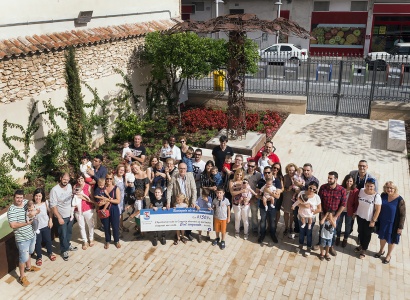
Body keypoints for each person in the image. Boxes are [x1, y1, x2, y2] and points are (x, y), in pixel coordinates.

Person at [7, 189, 41, 286]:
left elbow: (37, 209)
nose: (19, 200)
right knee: (23, 258)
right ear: (14, 198)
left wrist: (35, 212)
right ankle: (22, 277)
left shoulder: (26, 203)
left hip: (32, 234)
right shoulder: (12, 210)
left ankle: (28, 267)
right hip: (22, 238)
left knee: (30, 252)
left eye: (21, 197)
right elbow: (13, 225)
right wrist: (26, 223)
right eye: (17, 198)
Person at [375, 181, 406, 264]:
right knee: (382, 237)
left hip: (393, 224)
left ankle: (388, 255)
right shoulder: (383, 195)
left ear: (395, 189)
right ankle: (381, 250)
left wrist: (400, 228)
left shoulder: (400, 200)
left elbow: (403, 215)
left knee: (391, 240)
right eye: (388, 187)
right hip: (383, 222)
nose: (389, 189)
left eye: (391, 188)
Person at [318, 171, 346, 256]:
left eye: (331, 178)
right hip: (324, 213)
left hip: (334, 215)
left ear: (336, 179)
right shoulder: (323, 187)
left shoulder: (342, 190)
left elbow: (343, 205)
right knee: (322, 229)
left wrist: (336, 216)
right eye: (328, 178)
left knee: (332, 232)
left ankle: (330, 247)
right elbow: (319, 201)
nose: (329, 180)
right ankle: (321, 244)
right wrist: (322, 213)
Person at [167, 162, 197, 241]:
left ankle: (188, 232)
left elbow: (194, 189)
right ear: (178, 169)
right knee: (178, 218)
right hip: (178, 201)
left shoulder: (190, 176)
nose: (182, 170)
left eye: (184, 168)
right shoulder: (174, 176)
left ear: (186, 169)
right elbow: (169, 190)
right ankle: (177, 234)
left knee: (188, 218)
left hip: (188, 201)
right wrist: (168, 202)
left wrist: (193, 201)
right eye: (181, 168)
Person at [50, 173, 76, 261]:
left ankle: (67, 245)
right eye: (64, 179)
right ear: (60, 178)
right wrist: (59, 217)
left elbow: (71, 196)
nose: (66, 181)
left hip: (70, 215)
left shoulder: (69, 186)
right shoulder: (54, 190)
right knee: (62, 235)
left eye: (67, 180)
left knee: (69, 232)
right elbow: (53, 206)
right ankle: (64, 250)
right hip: (62, 216)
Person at [353, 177, 381, 259]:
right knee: (360, 232)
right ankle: (361, 245)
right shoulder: (361, 191)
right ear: (365, 185)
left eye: (371, 186)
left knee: (367, 234)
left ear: (374, 186)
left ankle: (364, 250)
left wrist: (373, 220)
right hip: (360, 216)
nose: (369, 188)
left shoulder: (376, 196)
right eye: (368, 185)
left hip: (369, 219)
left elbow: (378, 210)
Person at [292, 163, 319, 239]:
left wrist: (301, 186)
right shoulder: (300, 177)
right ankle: (298, 232)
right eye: (304, 170)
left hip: (308, 205)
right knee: (297, 218)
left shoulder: (315, 180)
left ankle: (306, 235)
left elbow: (312, 193)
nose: (306, 172)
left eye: (308, 170)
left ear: (312, 170)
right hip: (299, 202)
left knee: (307, 220)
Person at [295, 181, 322, 256]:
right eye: (310, 188)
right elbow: (298, 203)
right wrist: (305, 207)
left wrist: (310, 213)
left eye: (314, 189)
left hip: (311, 218)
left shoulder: (317, 197)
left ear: (316, 190)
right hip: (301, 217)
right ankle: (300, 245)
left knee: (309, 233)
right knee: (301, 232)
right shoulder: (302, 193)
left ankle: (308, 247)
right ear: (308, 186)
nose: (311, 190)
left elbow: (319, 209)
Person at [257, 166, 282, 244]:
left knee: (272, 221)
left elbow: (277, 196)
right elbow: (257, 195)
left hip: (273, 205)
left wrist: (268, 191)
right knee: (263, 221)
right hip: (263, 205)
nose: (267, 174)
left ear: (272, 172)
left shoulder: (277, 181)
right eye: (265, 172)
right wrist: (264, 198)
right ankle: (262, 234)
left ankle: (273, 234)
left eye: (269, 172)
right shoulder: (261, 181)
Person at [97, 173, 121, 249]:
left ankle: (116, 240)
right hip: (104, 210)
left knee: (115, 226)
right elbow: (98, 200)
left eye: (110, 178)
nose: (109, 180)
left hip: (114, 209)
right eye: (107, 178)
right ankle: (107, 240)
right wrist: (101, 202)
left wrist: (108, 200)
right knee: (106, 226)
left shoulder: (116, 188)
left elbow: (118, 201)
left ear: (113, 179)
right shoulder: (101, 188)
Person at [33, 188, 56, 266]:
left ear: (42, 196)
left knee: (48, 240)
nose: (38, 198)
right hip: (37, 228)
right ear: (34, 196)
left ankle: (50, 253)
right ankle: (39, 257)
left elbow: (50, 212)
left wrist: (50, 220)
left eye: (39, 196)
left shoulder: (45, 203)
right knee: (38, 243)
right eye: (36, 196)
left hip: (46, 225)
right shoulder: (32, 205)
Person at [73, 174, 95, 250]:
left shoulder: (88, 187)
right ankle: (84, 241)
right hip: (78, 210)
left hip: (88, 209)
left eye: (81, 178)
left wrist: (83, 198)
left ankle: (91, 238)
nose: (80, 180)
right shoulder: (75, 187)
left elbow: (92, 200)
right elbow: (73, 198)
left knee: (90, 225)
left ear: (84, 178)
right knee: (81, 226)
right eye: (78, 179)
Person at [336, 174, 359, 248]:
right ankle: (338, 237)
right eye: (347, 181)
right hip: (340, 210)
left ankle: (345, 238)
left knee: (348, 226)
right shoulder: (341, 188)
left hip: (349, 211)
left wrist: (354, 213)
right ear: (345, 181)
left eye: (351, 181)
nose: (349, 182)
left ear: (353, 182)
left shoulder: (355, 191)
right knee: (338, 225)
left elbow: (356, 203)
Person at [230, 169, 251, 240]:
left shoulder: (244, 182)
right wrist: (241, 191)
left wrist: (248, 199)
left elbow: (249, 192)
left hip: (245, 203)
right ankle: (237, 231)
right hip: (236, 203)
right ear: (235, 174)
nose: (239, 176)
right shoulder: (232, 182)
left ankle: (246, 233)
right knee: (237, 218)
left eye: (240, 175)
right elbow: (232, 193)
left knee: (245, 219)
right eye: (237, 174)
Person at [244, 159, 262, 236]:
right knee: (244, 213)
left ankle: (254, 229)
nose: (250, 167)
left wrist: (256, 196)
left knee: (254, 214)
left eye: (252, 166)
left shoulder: (258, 175)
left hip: (254, 197)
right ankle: (243, 226)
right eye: (249, 165)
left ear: (255, 166)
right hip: (244, 197)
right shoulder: (243, 173)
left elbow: (260, 186)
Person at [282, 163, 298, 237]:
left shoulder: (297, 177)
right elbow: (282, 188)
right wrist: (287, 189)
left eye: (293, 170)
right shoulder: (285, 177)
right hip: (287, 196)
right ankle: (286, 227)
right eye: (290, 170)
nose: (291, 172)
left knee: (292, 213)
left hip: (294, 197)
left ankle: (291, 226)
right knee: (286, 213)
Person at [114, 164, 127, 233]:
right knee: (117, 214)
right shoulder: (114, 178)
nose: (122, 171)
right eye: (120, 170)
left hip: (122, 198)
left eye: (123, 170)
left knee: (121, 213)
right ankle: (118, 228)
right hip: (117, 198)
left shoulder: (123, 178)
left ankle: (121, 226)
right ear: (117, 170)